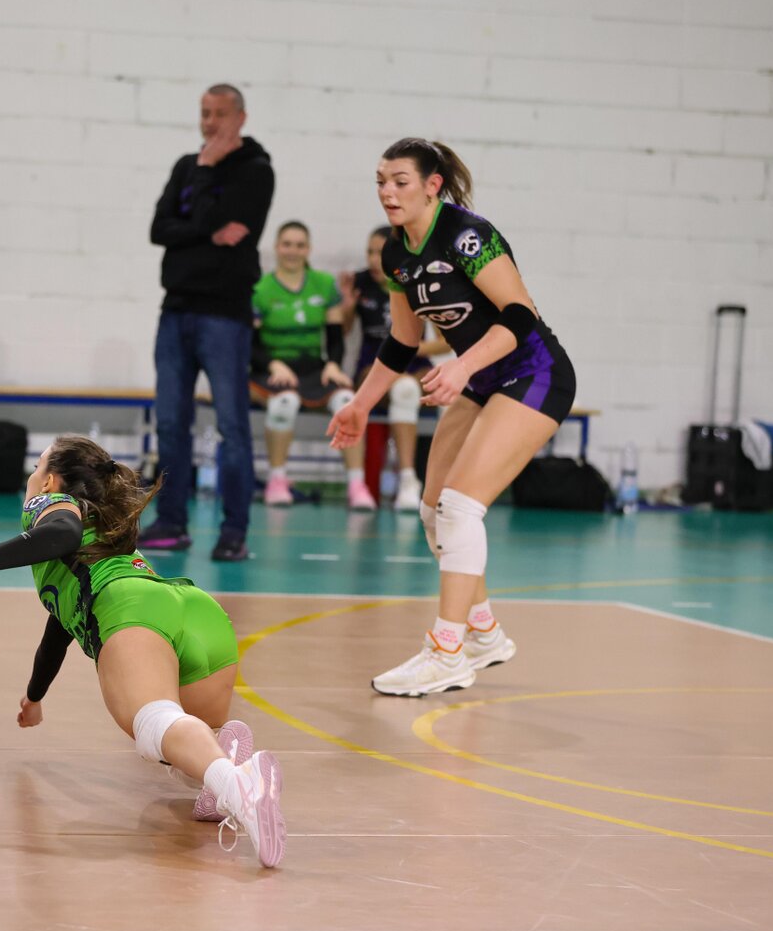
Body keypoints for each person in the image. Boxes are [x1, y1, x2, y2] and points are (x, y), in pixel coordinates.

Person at [0, 434, 286, 868]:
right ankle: (220, 762)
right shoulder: (102, 530)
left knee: (153, 726)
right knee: (180, 744)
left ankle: (240, 786)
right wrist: (34, 696)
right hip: (197, 616)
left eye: (37, 467)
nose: (32, 477)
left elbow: (62, 531)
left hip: (131, 609)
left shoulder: (53, 505)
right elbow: (60, 628)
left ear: (50, 481)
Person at [329, 138, 577, 697]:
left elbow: (520, 313)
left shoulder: (468, 235)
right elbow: (402, 339)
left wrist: (462, 366)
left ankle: (447, 652)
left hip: (534, 373)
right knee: (433, 511)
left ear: (432, 185)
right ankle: (484, 634)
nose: (388, 192)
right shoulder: (395, 253)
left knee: (461, 506)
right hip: (483, 380)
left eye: (400, 182)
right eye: (380, 182)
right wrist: (361, 404)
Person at [139, 84, 274, 561]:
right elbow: (159, 229)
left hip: (225, 316)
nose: (210, 122)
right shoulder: (186, 166)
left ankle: (234, 531)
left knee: (232, 426)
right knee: (171, 423)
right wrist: (207, 227)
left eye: (219, 113)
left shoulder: (256, 171)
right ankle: (171, 523)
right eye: (204, 113)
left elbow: (227, 225)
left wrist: (207, 182)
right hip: (175, 311)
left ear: (241, 117)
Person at [247, 221, 369, 510]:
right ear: (277, 247)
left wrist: (334, 364)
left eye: (300, 245)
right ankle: (277, 480)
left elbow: (335, 335)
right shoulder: (260, 289)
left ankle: (357, 484)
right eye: (287, 244)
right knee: (284, 403)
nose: (293, 251)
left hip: (314, 368)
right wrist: (273, 364)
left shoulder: (324, 284)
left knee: (347, 401)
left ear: (308, 249)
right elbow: (249, 343)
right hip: (271, 369)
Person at [338, 225, 451, 511]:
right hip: (374, 364)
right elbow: (343, 331)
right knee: (401, 388)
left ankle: (411, 480)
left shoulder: (419, 280)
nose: (374, 260)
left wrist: (409, 347)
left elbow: (445, 344)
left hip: (414, 364)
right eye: (370, 252)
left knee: (416, 389)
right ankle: (401, 479)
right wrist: (347, 307)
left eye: (381, 252)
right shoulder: (359, 282)